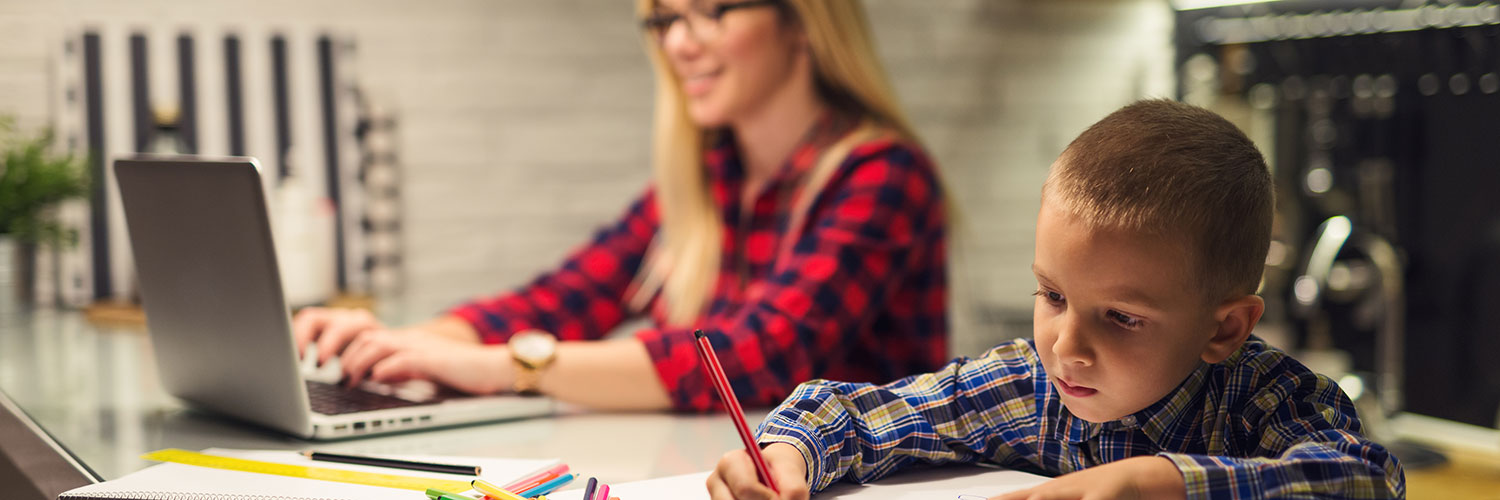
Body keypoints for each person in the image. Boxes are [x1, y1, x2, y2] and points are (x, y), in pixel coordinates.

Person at [708, 100, 1405, 499]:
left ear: (1224, 328)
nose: (1067, 346)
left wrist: (1158, 483)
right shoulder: (1031, 386)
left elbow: (1369, 479)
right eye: (1052, 295)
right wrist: (788, 454)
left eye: (1122, 318)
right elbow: (858, 410)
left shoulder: (1267, 400)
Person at [292, 0, 949, 412]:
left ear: (801, 22)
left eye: (712, 11)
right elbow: (561, 300)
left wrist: (505, 367)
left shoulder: (883, 175)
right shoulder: (706, 182)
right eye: (665, 18)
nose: (679, 44)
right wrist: (407, 342)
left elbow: (749, 358)